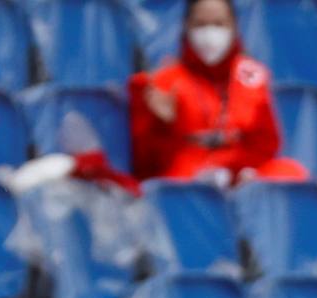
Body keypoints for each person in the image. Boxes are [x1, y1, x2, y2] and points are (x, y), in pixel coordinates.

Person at [128, 0, 306, 184]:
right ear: (186, 26)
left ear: (234, 27)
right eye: (200, 24)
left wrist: (234, 170)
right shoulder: (162, 83)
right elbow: (145, 168)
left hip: (242, 174)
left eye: (219, 24)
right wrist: (162, 124)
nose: (209, 33)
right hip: (189, 180)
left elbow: (268, 145)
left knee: (290, 171)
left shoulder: (252, 77)